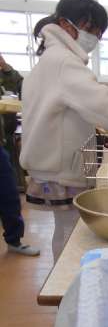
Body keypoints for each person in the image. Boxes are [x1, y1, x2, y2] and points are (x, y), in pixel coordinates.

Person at [20, 0, 108, 263]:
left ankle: (66, 281)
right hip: (61, 168)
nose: (94, 38)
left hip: (52, 163)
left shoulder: (52, 59)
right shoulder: (64, 62)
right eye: (90, 29)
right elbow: (101, 103)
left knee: (64, 230)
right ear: (65, 23)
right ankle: (67, 283)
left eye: (99, 33)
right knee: (71, 233)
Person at [0, 54, 40, 256]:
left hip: (2, 141)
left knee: (8, 193)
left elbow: (19, 88)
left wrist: (6, 68)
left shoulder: (6, 74)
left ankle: (14, 240)